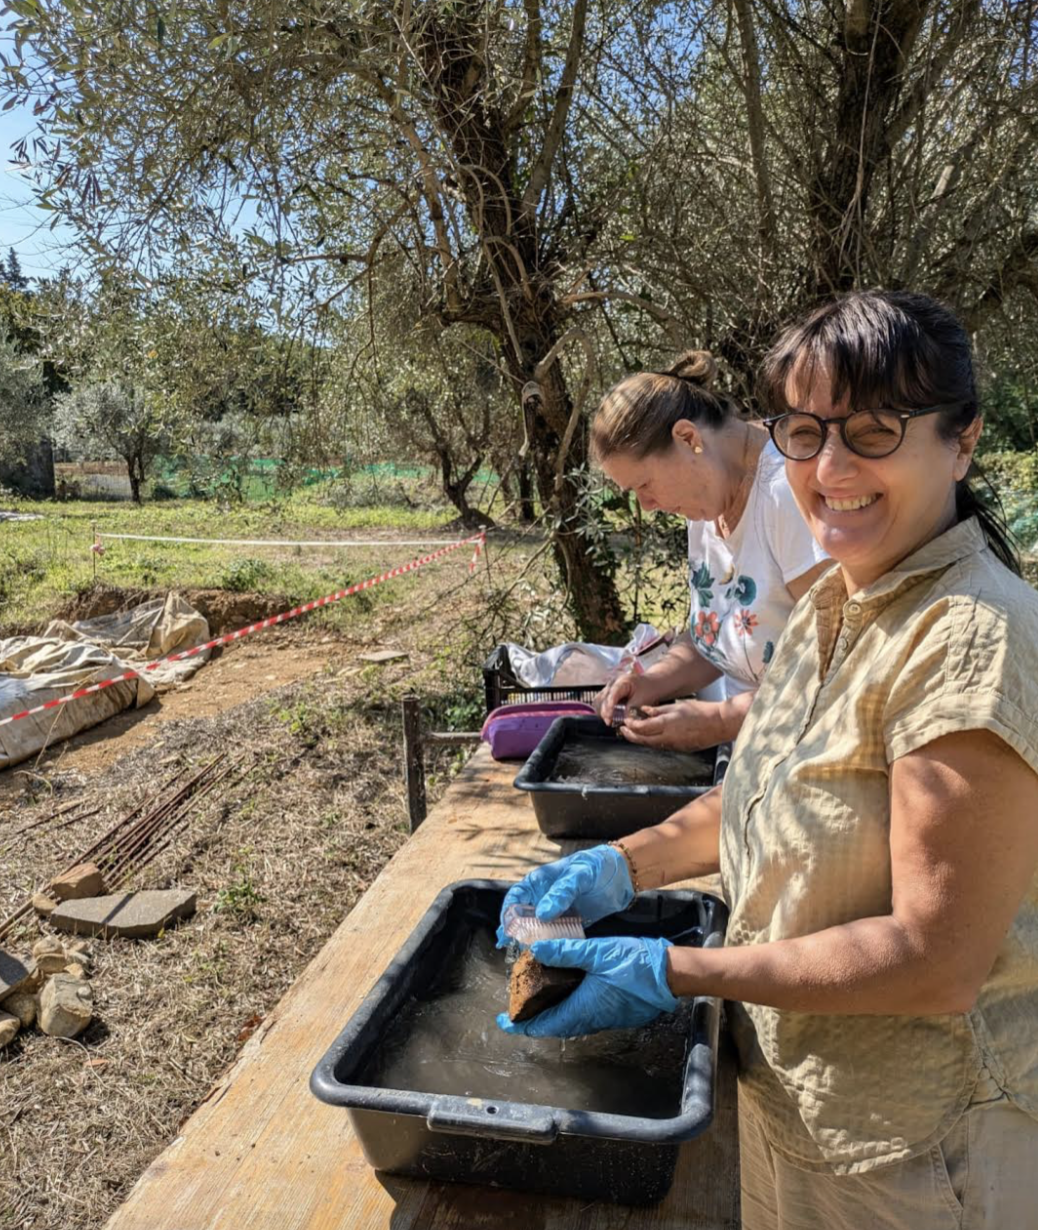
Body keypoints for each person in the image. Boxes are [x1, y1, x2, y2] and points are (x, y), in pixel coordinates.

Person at [498, 291, 1038, 1228]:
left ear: (962, 440)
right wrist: (620, 865)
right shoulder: (837, 602)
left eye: (875, 431)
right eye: (803, 431)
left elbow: (935, 959)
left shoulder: (968, 642)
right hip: (799, 1105)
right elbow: (762, 792)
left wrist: (676, 972)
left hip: (915, 1149)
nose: (828, 467)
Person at [591, 351, 828, 751]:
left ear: (688, 438)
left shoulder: (786, 492)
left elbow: (841, 660)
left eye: (644, 485)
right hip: (753, 758)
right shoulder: (704, 500)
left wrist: (723, 720)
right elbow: (716, 640)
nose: (645, 506)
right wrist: (651, 681)